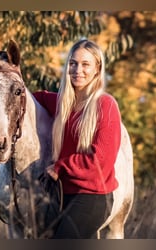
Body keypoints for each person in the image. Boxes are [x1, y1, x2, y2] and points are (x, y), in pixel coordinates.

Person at [33, 39, 122, 239]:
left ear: (98, 69)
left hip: (92, 196)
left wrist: (59, 167)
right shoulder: (62, 103)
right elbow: (30, 99)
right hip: (62, 195)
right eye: (73, 63)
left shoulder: (105, 105)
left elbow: (100, 162)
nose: (77, 70)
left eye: (85, 64)